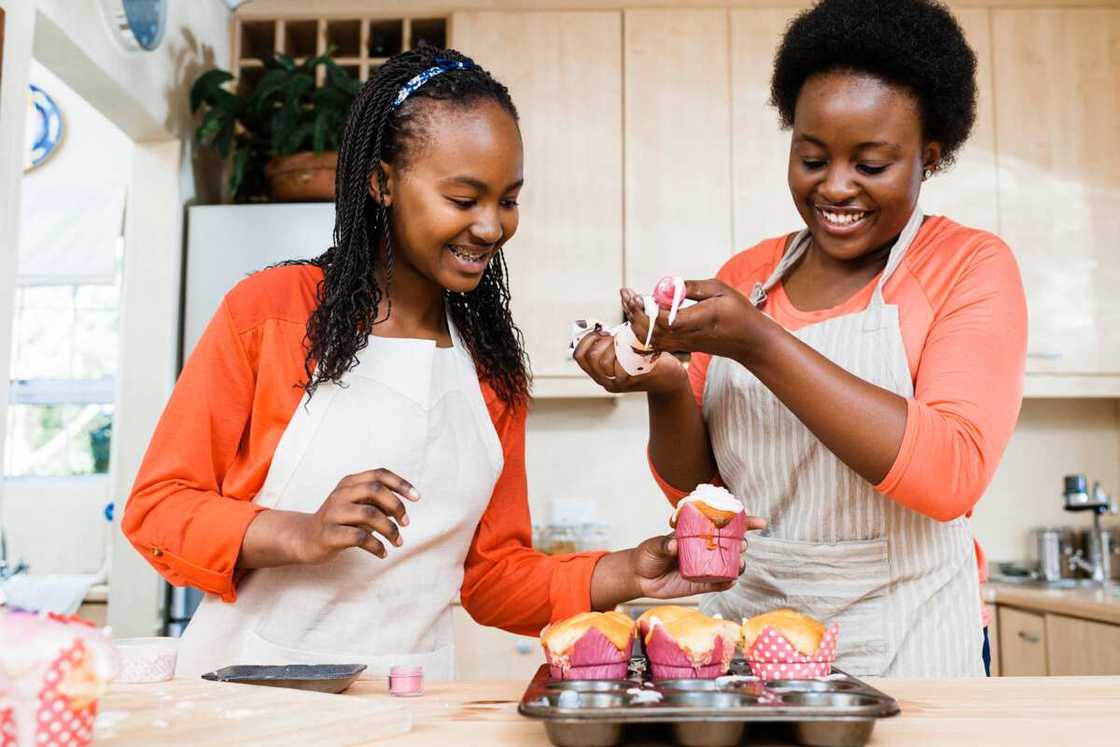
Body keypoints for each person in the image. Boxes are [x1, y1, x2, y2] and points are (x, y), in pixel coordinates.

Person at [123, 46, 759, 679]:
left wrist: (625, 570)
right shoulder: (271, 312)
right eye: (463, 199)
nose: (490, 227)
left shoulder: (490, 364)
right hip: (246, 697)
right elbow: (157, 508)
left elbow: (491, 576)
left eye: (508, 200)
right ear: (382, 183)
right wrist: (300, 533)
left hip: (411, 703)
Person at [574, 0, 1026, 677]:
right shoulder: (747, 278)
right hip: (753, 638)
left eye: (871, 163)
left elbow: (949, 474)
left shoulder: (967, 265)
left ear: (928, 159)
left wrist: (757, 342)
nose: (835, 186)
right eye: (813, 157)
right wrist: (666, 382)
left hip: (912, 641)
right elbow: (702, 494)